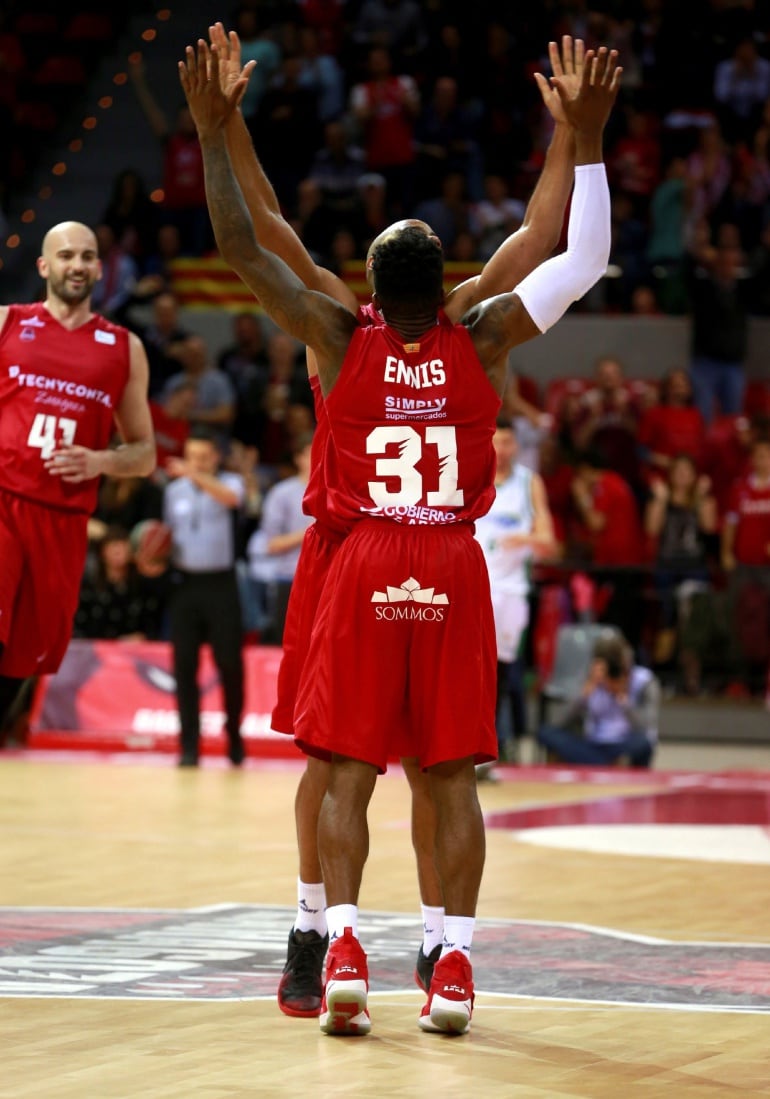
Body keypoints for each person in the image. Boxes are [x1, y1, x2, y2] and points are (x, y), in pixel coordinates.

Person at [180, 34, 618, 1036]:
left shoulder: (333, 326)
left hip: (358, 548)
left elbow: (259, 239)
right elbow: (555, 239)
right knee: (445, 770)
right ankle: (443, 952)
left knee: (336, 764)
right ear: (440, 273)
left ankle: (337, 932)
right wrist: (577, 134)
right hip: (440, 554)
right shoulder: (481, 325)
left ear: (375, 279)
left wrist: (219, 128)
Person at [0, 220, 155, 733]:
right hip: (4, 502)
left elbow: (145, 453)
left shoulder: (122, 347)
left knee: (23, 660)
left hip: (63, 521)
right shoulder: (7, 323)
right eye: (66, 255)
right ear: (44, 266)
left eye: (88, 256)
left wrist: (100, 461)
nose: (78, 265)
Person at [163, 426, 246, 767]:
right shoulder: (174, 491)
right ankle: (189, 745)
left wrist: (194, 474)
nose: (195, 461)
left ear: (215, 457)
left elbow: (232, 500)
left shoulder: (229, 483)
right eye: (191, 455)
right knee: (183, 666)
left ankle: (235, 738)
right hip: (184, 585)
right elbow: (166, 535)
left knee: (229, 664)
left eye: (203, 456)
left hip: (221, 586)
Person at [474, 420, 555, 761]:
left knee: (500, 673)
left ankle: (493, 747)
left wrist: (524, 539)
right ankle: (465, 745)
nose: (502, 449)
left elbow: (550, 543)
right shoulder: (468, 477)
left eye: (508, 442)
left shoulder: (528, 483)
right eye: (497, 441)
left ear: (517, 447)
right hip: (470, 589)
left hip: (509, 592)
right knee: (468, 669)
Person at [537, 635, 659, 767]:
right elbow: (558, 722)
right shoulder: (590, 678)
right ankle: (606, 764)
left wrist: (622, 697)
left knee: (644, 743)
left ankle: (596, 763)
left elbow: (645, 726)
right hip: (593, 743)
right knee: (546, 733)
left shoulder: (643, 681)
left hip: (623, 743)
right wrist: (584, 694)